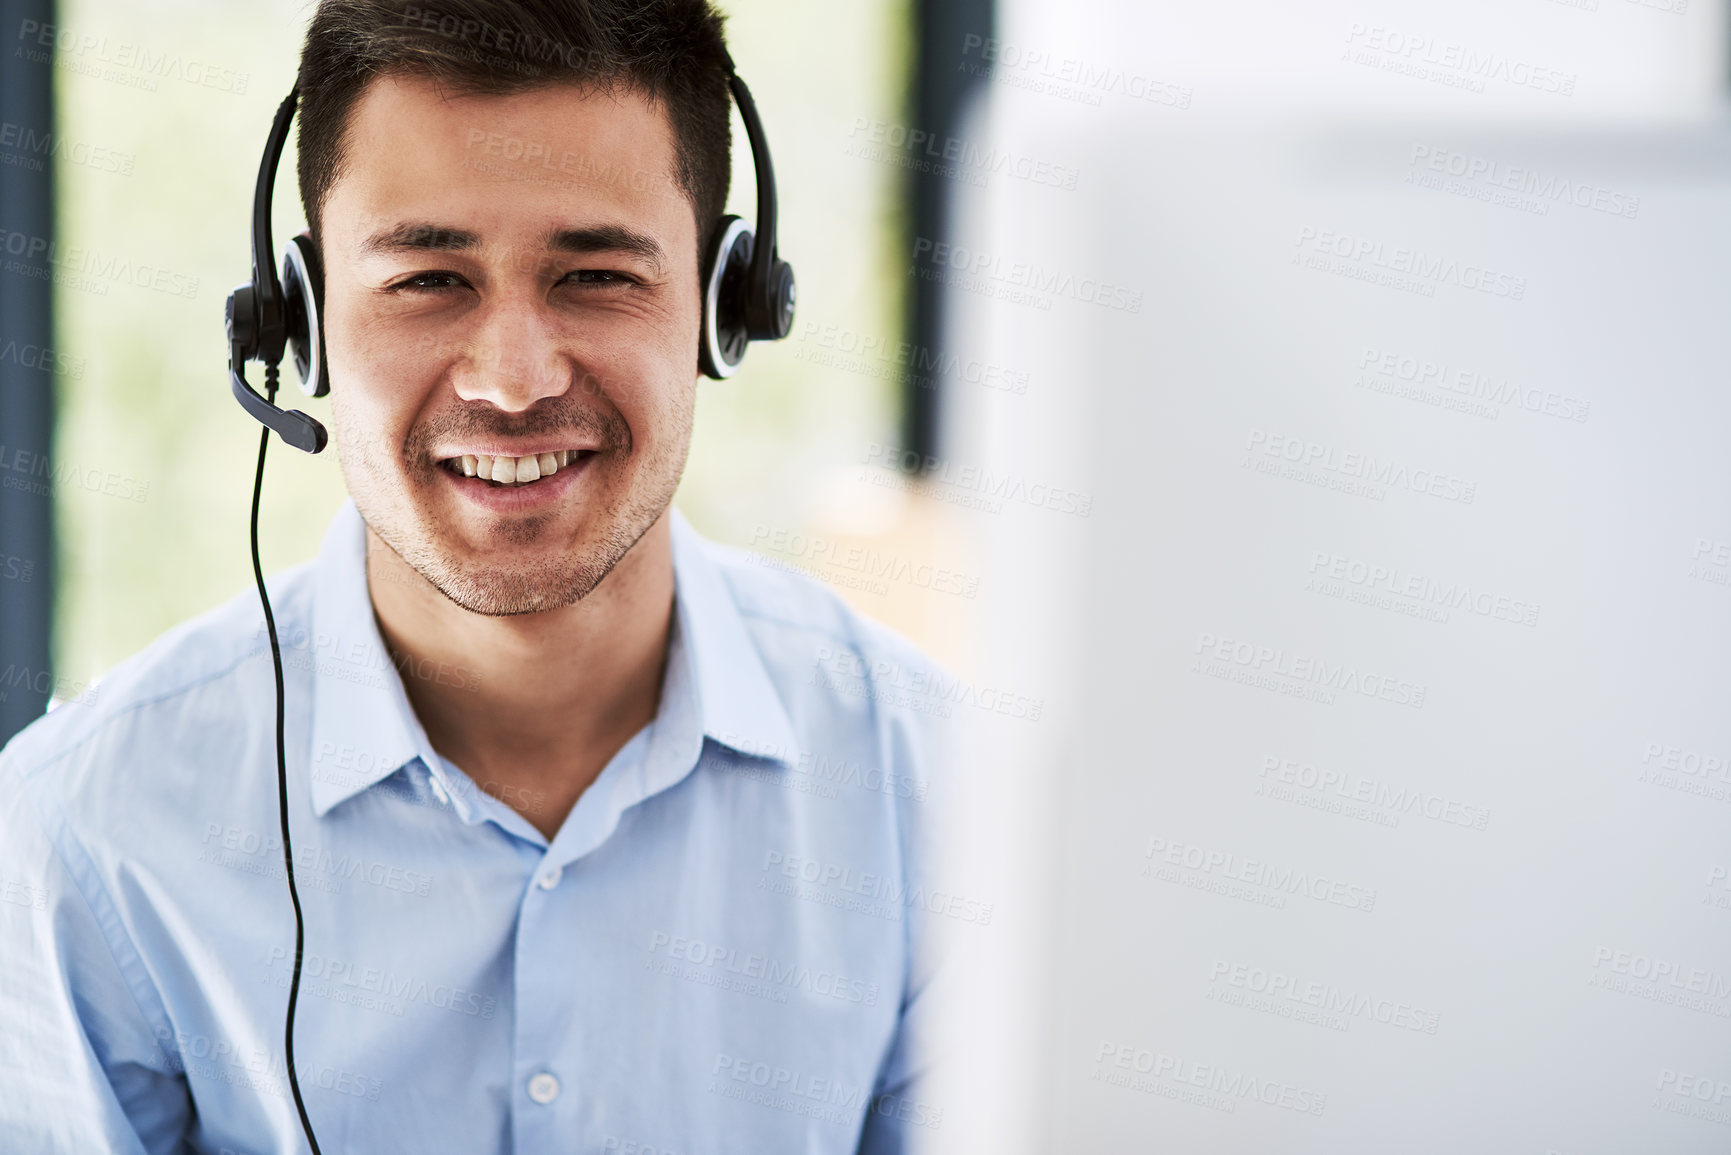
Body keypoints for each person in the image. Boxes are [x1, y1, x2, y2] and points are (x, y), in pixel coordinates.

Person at [0, 2, 953, 1150]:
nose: (511, 379)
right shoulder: (91, 834)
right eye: (428, 281)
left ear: (723, 302)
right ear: (297, 323)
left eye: (595, 274)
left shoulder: (937, 800)